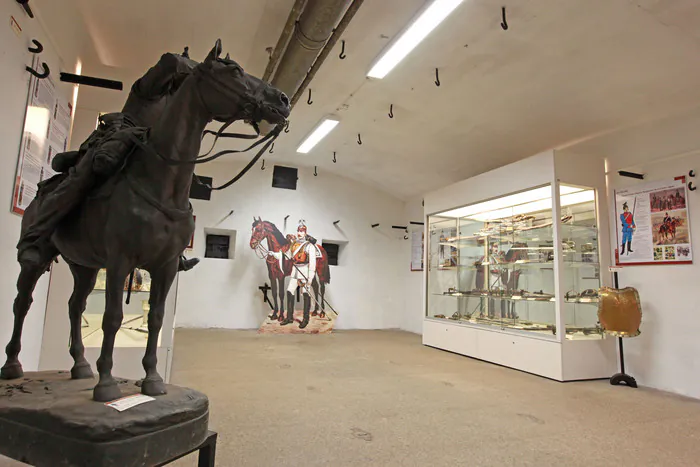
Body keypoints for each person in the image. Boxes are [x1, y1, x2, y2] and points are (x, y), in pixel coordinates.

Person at [18, 51, 200, 272]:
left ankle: (172, 251)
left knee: (174, 192)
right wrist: (200, 69)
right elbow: (168, 61)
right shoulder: (149, 89)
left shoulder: (176, 105)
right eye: (183, 76)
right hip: (120, 142)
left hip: (148, 156)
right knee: (82, 178)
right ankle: (35, 236)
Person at [281, 220, 322, 329]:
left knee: (305, 294)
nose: (300, 233)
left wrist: (310, 279)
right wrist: (285, 248)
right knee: (289, 291)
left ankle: (305, 319)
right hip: (295, 272)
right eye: (299, 231)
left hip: (304, 272)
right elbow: (288, 256)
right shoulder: (294, 244)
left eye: (302, 231)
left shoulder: (310, 246)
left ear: (305, 233)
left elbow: (312, 264)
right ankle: (289, 317)